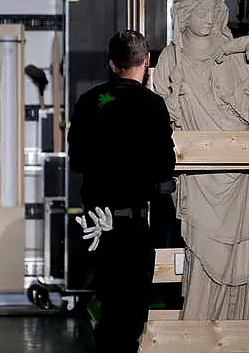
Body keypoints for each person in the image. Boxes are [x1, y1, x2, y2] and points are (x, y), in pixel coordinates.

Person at [151, 0, 249, 320]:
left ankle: (234, 323)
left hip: (238, 166)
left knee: (239, 250)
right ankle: (198, 320)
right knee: (203, 246)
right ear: (183, 16)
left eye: (213, 12)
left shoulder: (234, 54)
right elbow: (159, 109)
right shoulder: (172, 59)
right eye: (200, 13)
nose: (208, 20)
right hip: (200, 172)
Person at [67, 30, 176, 353]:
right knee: (129, 316)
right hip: (133, 222)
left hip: (97, 224)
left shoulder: (89, 102)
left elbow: (77, 161)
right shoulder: (152, 105)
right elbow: (164, 166)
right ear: (147, 61)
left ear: (112, 65)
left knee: (107, 307)